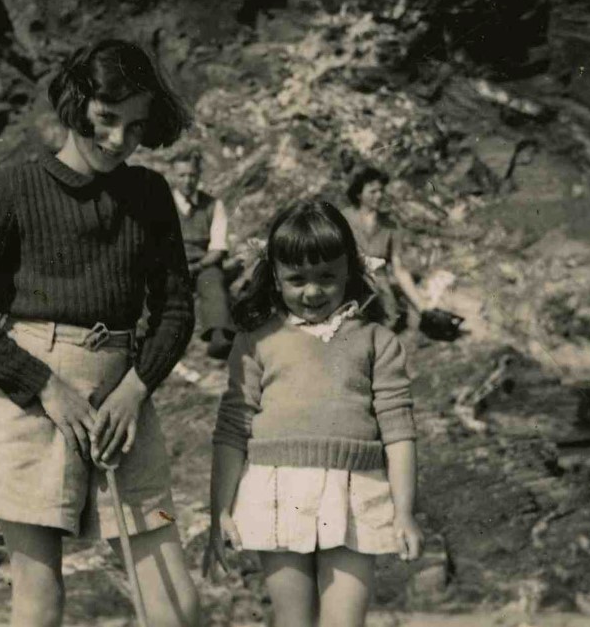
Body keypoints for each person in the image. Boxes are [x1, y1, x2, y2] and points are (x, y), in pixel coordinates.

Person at [0, 39, 201, 627]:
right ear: (77, 104)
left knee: (175, 602)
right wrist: (46, 389)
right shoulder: (13, 188)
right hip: (35, 397)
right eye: (107, 119)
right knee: (38, 598)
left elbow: (177, 312)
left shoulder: (150, 195)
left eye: (135, 127)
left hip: (122, 397)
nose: (118, 141)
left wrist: (136, 390)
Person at [203, 199, 422, 627]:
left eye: (327, 277)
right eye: (296, 279)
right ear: (275, 278)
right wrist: (220, 512)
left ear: (350, 272)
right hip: (277, 493)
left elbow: (399, 433)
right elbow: (232, 430)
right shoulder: (257, 341)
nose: (312, 291)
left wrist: (405, 512)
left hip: (358, 493)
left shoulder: (377, 340)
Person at [167, 148, 236, 360]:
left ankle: (219, 334)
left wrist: (197, 267)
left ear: (198, 175)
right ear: (173, 175)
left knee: (213, 282)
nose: (187, 181)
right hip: (171, 264)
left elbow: (218, 247)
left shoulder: (213, 205)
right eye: (182, 175)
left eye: (192, 175)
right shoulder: (161, 203)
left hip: (203, 264)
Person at [340, 167, 426, 332]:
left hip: (379, 284)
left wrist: (420, 304)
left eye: (381, 191)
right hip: (348, 282)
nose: (379, 196)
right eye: (372, 192)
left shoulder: (391, 226)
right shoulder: (343, 219)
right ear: (359, 194)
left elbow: (399, 268)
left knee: (394, 318)